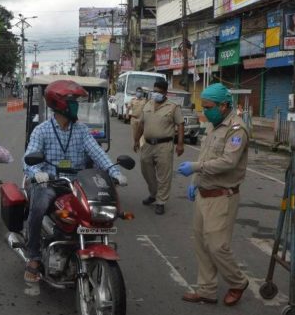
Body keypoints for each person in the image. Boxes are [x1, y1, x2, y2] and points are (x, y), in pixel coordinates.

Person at [23, 79, 127, 283]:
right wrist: (36, 172)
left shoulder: (81, 130)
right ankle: (34, 256)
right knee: (39, 207)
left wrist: (114, 172)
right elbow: (28, 158)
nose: (76, 105)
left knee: (97, 210)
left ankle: (84, 245)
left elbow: (97, 153)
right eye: (73, 101)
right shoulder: (42, 130)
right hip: (50, 182)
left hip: (77, 183)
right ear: (59, 103)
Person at [177, 83, 250, 306]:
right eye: (204, 106)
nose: (205, 111)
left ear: (224, 105)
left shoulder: (237, 130)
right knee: (200, 243)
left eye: (208, 107)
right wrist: (194, 181)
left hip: (222, 196)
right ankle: (207, 290)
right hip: (204, 192)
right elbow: (206, 155)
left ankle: (238, 281)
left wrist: (196, 168)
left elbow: (228, 162)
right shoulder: (211, 126)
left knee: (217, 246)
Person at [133, 79, 184, 215]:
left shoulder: (173, 107)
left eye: (159, 92)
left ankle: (161, 201)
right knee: (146, 170)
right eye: (154, 91)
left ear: (165, 93)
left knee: (163, 175)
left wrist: (180, 144)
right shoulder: (147, 105)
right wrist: (136, 140)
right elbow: (141, 124)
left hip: (164, 145)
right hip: (148, 144)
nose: (156, 94)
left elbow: (180, 125)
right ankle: (153, 194)